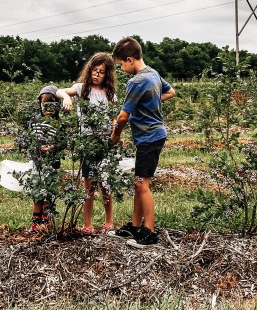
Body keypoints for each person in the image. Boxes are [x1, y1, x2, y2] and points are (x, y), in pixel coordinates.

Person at [108, 36, 175, 248]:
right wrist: (149, 102)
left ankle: (149, 232)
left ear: (129, 59)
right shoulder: (153, 74)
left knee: (141, 185)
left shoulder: (136, 81)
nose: (121, 69)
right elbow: (170, 92)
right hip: (152, 136)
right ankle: (135, 226)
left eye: (120, 64)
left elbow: (122, 117)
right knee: (139, 183)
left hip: (149, 137)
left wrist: (116, 134)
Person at [56, 52, 118, 234]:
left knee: (106, 184)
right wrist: (66, 97)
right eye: (95, 70)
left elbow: (114, 118)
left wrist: (115, 129)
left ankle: (109, 223)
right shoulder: (81, 88)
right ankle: (88, 225)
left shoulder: (110, 94)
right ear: (89, 70)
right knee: (89, 184)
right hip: (87, 142)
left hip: (105, 142)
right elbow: (57, 91)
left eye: (101, 72)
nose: (97, 74)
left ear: (107, 75)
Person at [27, 84, 63, 234]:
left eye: (50, 105)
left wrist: (53, 148)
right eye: (43, 105)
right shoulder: (34, 121)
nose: (46, 109)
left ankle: (46, 222)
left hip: (52, 165)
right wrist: (37, 150)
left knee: (49, 193)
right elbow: (30, 140)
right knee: (37, 193)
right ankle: (35, 222)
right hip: (37, 164)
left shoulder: (59, 124)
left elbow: (63, 142)